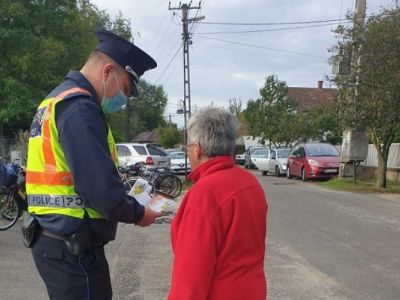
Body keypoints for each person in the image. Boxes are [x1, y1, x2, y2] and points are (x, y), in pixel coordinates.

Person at [25, 28, 161, 299]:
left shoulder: (57, 100)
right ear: (108, 71)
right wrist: (137, 213)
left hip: (55, 240)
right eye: (125, 89)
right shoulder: (79, 108)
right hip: (72, 249)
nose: (123, 101)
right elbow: (99, 190)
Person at [168, 107, 269, 300]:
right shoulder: (250, 183)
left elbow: (189, 283)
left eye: (188, 147)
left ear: (197, 150)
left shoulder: (203, 196)